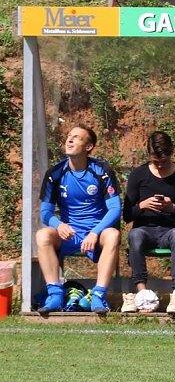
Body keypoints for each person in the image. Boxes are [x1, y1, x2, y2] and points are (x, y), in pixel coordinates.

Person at [35, 124, 121, 315]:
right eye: (69, 136)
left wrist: (95, 232)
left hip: (96, 234)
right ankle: (55, 294)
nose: (70, 140)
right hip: (69, 233)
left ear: (89, 147)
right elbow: (45, 212)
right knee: (43, 235)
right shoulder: (55, 173)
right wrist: (59, 225)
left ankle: (98, 296)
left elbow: (115, 209)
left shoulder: (102, 170)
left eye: (77, 137)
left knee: (113, 235)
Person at [121, 131, 175, 313]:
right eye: (156, 162)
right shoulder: (138, 175)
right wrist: (142, 206)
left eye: (164, 161)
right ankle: (141, 292)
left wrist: (174, 208)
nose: (160, 166)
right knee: (135, 235)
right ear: (149, 155)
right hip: (144, 229)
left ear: (171, 153)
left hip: (170, 230)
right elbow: (127, 215)